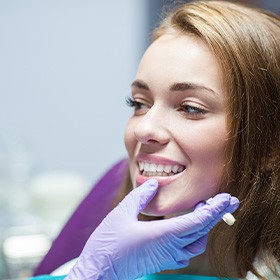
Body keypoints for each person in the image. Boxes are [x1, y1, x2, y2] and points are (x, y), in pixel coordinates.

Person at [32, 0, 280, 279]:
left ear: (268, 146)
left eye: (190, 108)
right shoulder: (89, 269)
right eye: (139, 103)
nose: (143, 129)